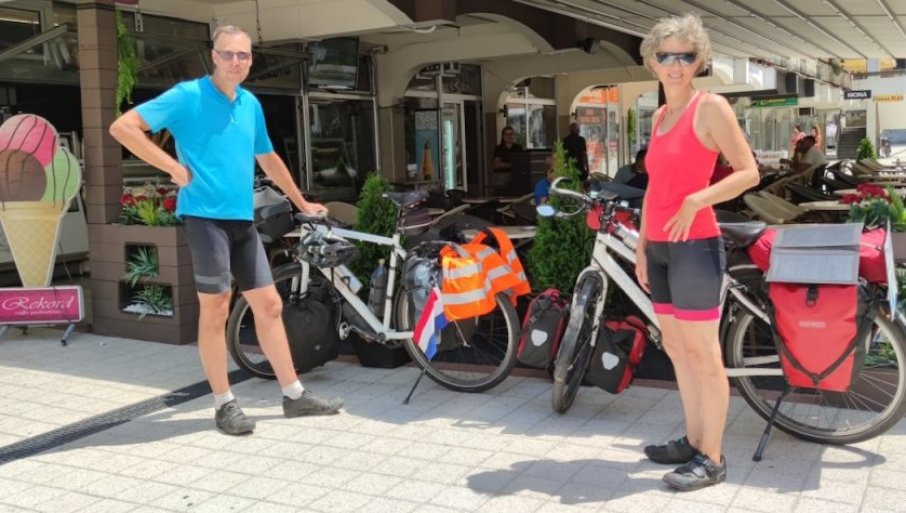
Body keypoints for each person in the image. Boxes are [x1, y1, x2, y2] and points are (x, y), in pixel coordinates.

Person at [109, 25, 344, 436]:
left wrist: (301, 202)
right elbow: (123, 128)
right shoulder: (188, 95)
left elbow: (267, 157)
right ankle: (223, 403)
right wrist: (171, 167)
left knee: (269, 305)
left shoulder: (250, 103)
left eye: (244, 55)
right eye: (228, 54)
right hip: (204, 219)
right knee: (216, 308)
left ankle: (293, 395)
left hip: (241, 219)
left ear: (250, 60)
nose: (236, 61)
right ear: (214, 56)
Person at [635, 14, 759, 491]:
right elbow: (654, 187)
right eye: (665, 55)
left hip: (696, 246)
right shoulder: (660, 116)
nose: (675, 65)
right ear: (652, 62)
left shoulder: (710, 108)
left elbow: (748, 172)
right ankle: (692, 440)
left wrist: (696, 200)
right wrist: (643, 246)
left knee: (704, 355)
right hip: (662, 249)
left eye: (685, 56)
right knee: (677, 349)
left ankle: (713, 457)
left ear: (698, 61)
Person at [492, 126, 523, 192]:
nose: (509, 136)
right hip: (501, 176)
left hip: (516, 176)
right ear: (503, 136)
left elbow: (522, 163)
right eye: (507, 134)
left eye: (511, 134)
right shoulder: (498, 148)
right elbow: (497, 165)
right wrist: (512, 165)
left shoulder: (518, 148)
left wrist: (505, 164)